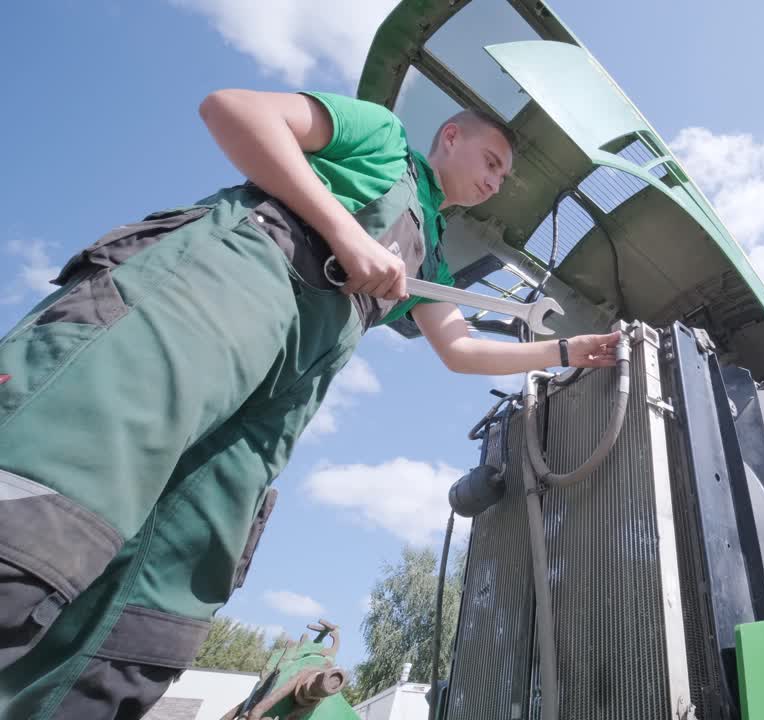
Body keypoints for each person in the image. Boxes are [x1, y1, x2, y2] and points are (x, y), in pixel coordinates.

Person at [0, 89, 620, 718]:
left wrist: (567, 351)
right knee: (59, 488)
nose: (496, 181)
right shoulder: (379, 136)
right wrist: (345, 231)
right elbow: (234, 111)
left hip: (287, 387)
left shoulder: (428, 248)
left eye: (503, 176)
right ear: (451, 138)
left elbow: (460, 349)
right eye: (491, 161)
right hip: (227, 284)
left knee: (163, 597)